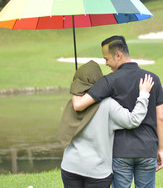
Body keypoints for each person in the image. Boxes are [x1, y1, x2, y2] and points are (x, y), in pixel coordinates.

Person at [72, 36, 163, 188]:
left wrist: (76, 86)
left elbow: (78, 105)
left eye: (107, 59)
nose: (106, 63)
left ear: (118, 55)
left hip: (120, 151)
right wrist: (160, 149)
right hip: (147, 149)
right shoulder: (152, 78)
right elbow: (160, 118)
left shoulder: (109, 81)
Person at [59, 60, 154, 188]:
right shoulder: (108, 104)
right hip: (97, 172)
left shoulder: (73, 103)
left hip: (70, 166)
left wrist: (75, 85)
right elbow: (134, 120)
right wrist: (143, 94)